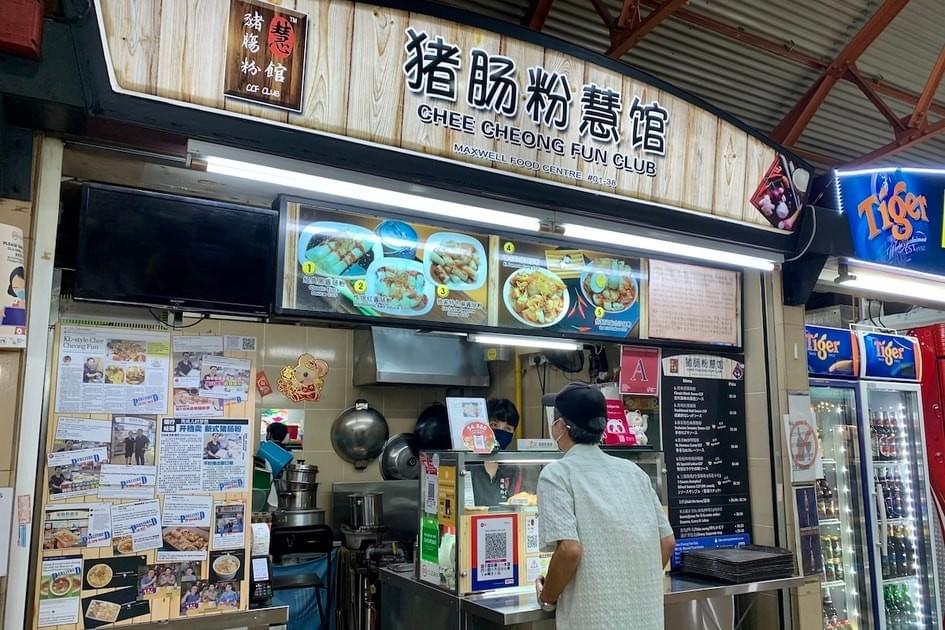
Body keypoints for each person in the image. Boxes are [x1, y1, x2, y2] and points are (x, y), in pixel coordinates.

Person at [535, 383, 675, 630]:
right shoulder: (633, 472)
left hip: (592, 620)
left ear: (560, 426)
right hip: (645, 619)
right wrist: (633, 586)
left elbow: (569, 550)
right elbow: (666, 542)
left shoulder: (557, 474)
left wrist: (547, 597)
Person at [470, 399, 525, 506]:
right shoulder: (468, 466)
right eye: (494, 425)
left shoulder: (512, 470)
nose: (500, 432)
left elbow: (517, 507)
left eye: (507, 428)